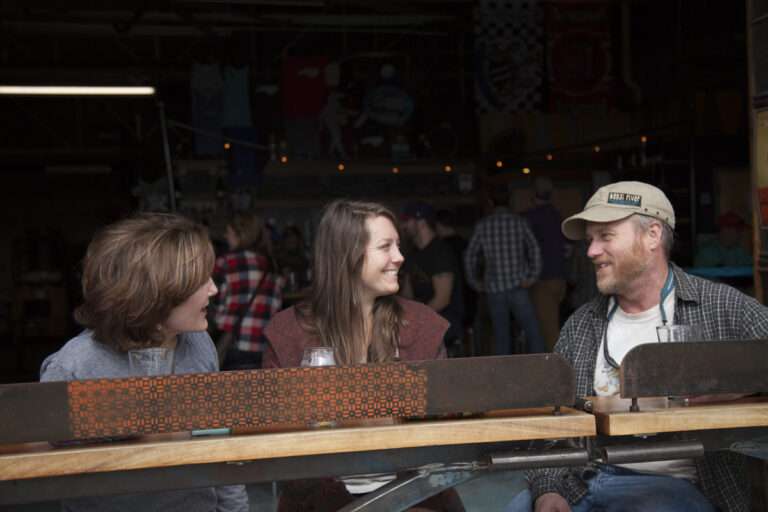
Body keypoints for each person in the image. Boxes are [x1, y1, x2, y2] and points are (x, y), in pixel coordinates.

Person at [515, 181, 768, 512]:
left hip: (677, 488)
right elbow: (550, 424)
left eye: (606, 236)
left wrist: (732, 389)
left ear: (652, 235)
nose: (591, 251)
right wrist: (548, 490)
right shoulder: (581, 325)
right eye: (591, 240)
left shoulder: (720, 307)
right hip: (582, 482)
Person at [264, 199, 465, 512]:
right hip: (322, 499)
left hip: (413, 495)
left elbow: (445, 424)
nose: (399, 257)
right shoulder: (288, 332)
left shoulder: (421, 324)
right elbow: (277, 436)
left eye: (399, 245)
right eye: (386, 246)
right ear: (348, 256)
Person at [39, 212, 249, 512]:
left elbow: (219, 445)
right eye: (201, 279)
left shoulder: (198, 344)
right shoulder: (73, 367)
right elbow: (52, 473)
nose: (214, 289)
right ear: (157, 291)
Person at [465, 188, 545, 355]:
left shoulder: (483, 225)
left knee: (501, 336)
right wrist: (532, 276)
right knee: (533, 332)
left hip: (494, 288)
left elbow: (470, 255)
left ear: (491, 203)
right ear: (509, 201)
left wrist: (475, 282)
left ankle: (505, 377)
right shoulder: (519, 222)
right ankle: (540, 370)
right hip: (519, 285)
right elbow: (534, 249)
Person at [211, 210, 283, 370]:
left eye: (228, 232)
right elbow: (276, 307)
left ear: (240, 234)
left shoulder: (226, 262)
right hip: (265, 347)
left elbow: (217, 306)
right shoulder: (270, 264)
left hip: (235, 344)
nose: (225, 236)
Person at [400, 201, 465, 355]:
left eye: (406, 220)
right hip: (420, 327)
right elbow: (408, 296)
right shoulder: (413, 255)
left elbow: (442, 299)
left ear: (421, 222)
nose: (403, 226)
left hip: (444, 326)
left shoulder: (440, 252)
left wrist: (414, 320)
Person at [523, 177, 568, 351]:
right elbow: (567, 249)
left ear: (533, 196)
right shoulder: (558, 216)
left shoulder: (528, 217)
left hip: (542, 279)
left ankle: (555, 371)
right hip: (560, 278)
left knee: (547, 330)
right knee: (553, 324)